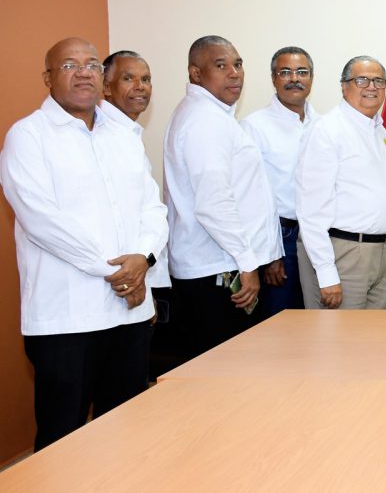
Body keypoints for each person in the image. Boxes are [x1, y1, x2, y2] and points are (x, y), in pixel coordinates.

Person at [0, 38, 167, 451]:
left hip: (129, 314)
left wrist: (143, 259)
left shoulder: (122, 135)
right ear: (48, 78)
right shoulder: (28, 136)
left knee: (128, 434)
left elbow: (152, 208)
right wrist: (122, 272)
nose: (83, 73)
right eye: (69, 66)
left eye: (92, 64)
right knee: (64, 441)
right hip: (67, 319)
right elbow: (42, 221)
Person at [163, 36, 282, 355]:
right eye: (221, 65)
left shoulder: (212, 115)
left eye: (238, 64)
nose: (234, 73)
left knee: (231, 365)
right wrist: (247, 263)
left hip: (220, 265)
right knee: (227, 365)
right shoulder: (205, 121)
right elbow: (214, 203)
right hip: (219, 269)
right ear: (195, 73)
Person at [296, 56, 386, 310]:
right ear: (344, 86)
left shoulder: (381, 132)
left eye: (378, 81)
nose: (372, 87)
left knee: (379, 334)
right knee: (340, 333)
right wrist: (326, 273)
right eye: (362, 80)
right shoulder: (327, 130)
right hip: (345, 253)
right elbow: (311, 210)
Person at [240, 46, 315, 316]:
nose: (294, 78)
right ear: (273, 78)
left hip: (318, 238)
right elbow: (251, 198)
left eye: (302, 72)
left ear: (312, 78)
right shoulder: (254, 126)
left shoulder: (323, 125)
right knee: (280, 323)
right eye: (285, 72)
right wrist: (271, 255)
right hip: (281, 240)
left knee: (315, 320)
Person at [102, 50, 171, 291]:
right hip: (123, 278)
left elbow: (149, 209)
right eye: (128, 78)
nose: (140, 86)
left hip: (141, 270)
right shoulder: (101, 135)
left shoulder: (128, 134)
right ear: (106, 87)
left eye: (146, 79)